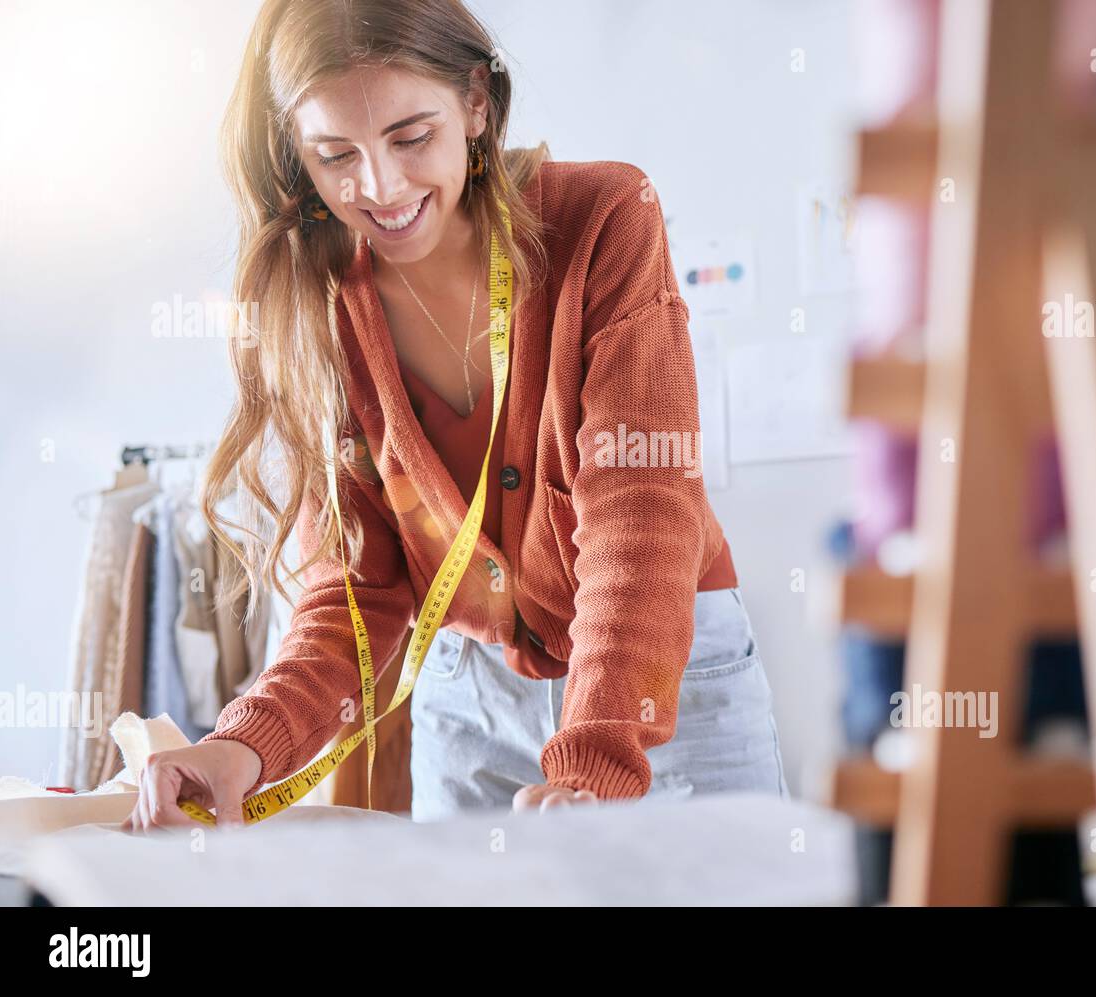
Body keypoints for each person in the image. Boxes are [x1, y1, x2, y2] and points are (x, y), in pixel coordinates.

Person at [123, 0, 787, 833]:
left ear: (476, 102)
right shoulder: (322, 309)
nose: (380, 188)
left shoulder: (605, 219)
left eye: (410, 137)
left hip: (661, 678)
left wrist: (597, 754)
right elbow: (355, 592)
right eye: (335, 156)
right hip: (471, 700)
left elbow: (640, 517)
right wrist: (241, 746)